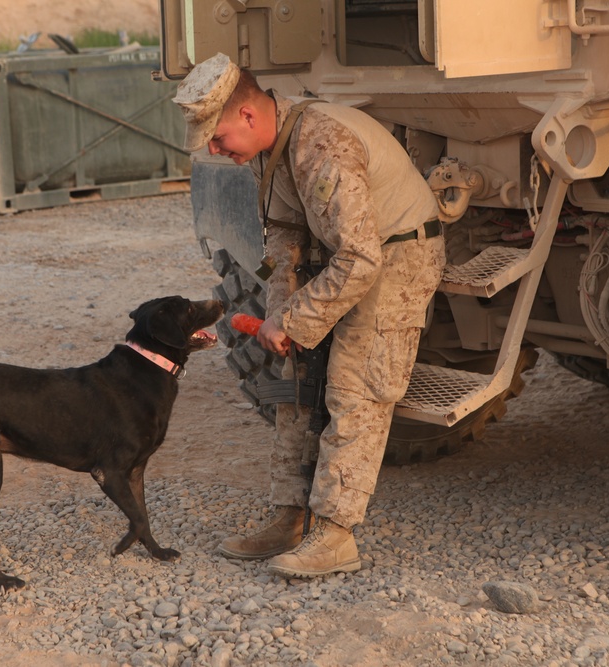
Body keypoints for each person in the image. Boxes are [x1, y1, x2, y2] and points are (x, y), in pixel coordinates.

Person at [173, 53, 446, 578]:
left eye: (217, 135)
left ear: (249, 117)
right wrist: (281, 316)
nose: (213, 148)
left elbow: (364, 258)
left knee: (353, 383)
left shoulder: (321, 145)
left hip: (397, 257)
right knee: (293, 379)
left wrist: (295, 319)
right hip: (347, 258)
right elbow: (283, 237)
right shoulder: (267, 147)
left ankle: (336, 534)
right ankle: (290, 519)